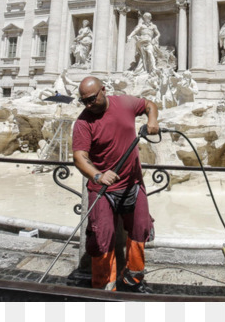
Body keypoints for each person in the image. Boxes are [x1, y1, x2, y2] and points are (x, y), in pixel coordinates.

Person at [72, 76, 159, 292]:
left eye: (92, 99)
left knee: (141, 230)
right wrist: (97, 175)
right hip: (102, 189)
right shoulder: (83, 123)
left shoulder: (125, 103)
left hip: (133, 183)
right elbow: (79, 157)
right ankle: (103, 286)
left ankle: (133, 279)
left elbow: (149, 105)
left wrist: (153, 121)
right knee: (101, 239)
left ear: (103, 90)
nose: (89, 104)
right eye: (84, 101)